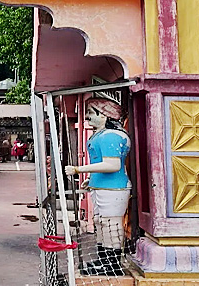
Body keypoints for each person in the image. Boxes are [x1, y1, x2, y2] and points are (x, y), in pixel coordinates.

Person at [64, 97, 131, 276]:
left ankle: (112, 265)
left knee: (111, 224)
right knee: (101, 224)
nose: (86, 117)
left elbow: (112, 165)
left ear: (104, 116)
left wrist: (79, 169)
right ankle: (103, 261)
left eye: (90, 113)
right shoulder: (101, 135)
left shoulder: (111, 136)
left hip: (113, 188)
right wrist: (91, 179)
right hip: (102, 187)